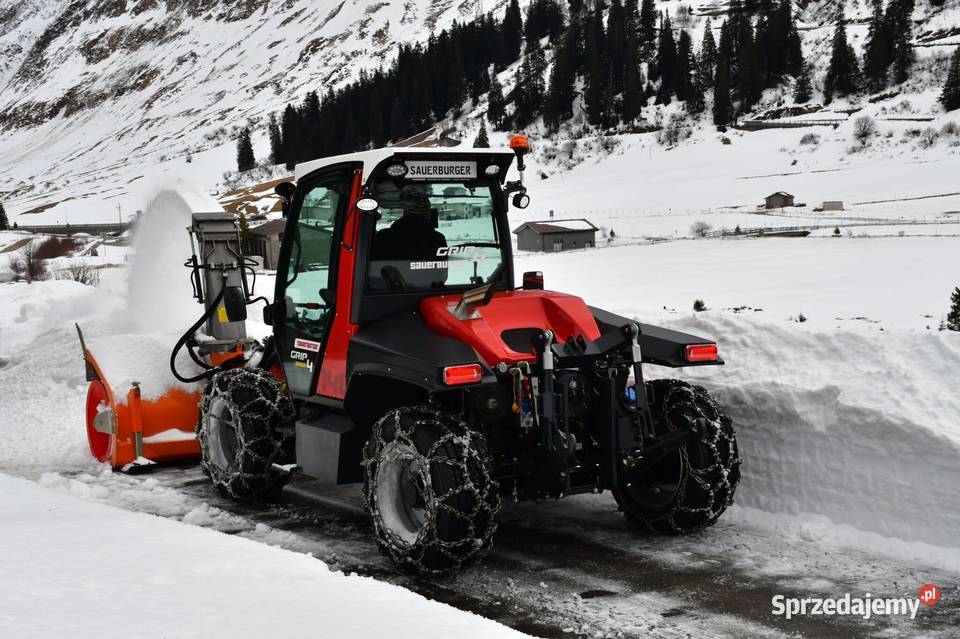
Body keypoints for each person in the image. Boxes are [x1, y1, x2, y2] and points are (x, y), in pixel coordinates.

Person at [372, 193, 447, 261]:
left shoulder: (384, 236)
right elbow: (442, 273)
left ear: (406, 212)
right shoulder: (437, 239)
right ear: (427, 214)